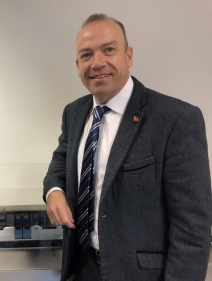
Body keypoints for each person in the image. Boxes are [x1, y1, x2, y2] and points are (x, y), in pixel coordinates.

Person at [43, 13, 211, 281]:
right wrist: (53, 190)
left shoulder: (176, 119)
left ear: (128, 56)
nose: (97, 63)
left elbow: (193, 231)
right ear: (78, 65)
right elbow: (61, 159)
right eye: (86, 55)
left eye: (108, 50)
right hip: (82, 267)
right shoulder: (74, 113)